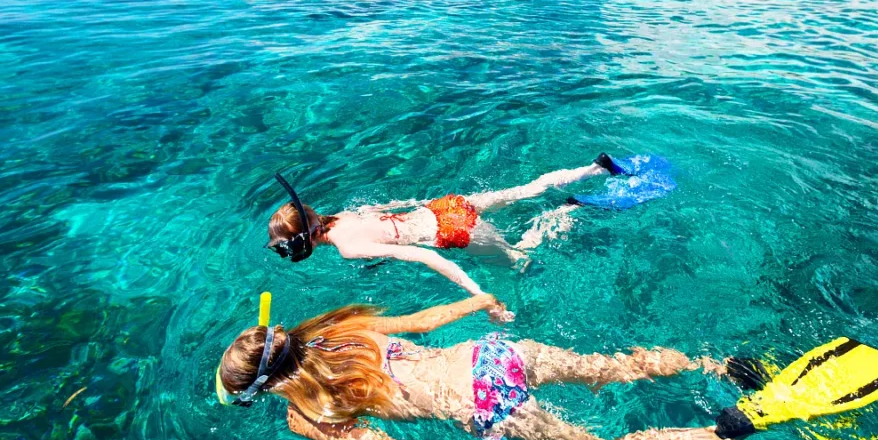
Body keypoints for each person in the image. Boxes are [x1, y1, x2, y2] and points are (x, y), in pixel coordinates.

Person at [215, 293, 734, 440]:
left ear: (261, 389)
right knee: (612, 367)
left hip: (487, 404)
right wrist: (479, 300)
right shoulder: (337, 332)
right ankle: (715, 364)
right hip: (494, 353)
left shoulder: (304, 415)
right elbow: (423, 321)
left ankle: (723, 431)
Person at [265, 155, 627, 307]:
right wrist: (424, 201)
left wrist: (476, 294)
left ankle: (567, 211)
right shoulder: (340, 216)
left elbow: (423, 254)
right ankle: (595, 168)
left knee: (522, 261)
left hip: (453, 232)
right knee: (525, 190)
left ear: (306, 241)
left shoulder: (346, 247)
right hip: (442, 206)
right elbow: (393, 207)